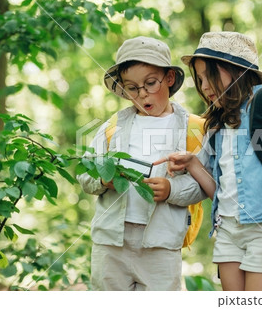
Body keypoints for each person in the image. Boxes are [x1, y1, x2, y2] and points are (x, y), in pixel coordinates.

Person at [154, 31, 262, 291]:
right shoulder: (218, 122)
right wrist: (193, 163)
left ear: (235, 70)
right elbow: (219, 193)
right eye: (199, 79)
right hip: (227, 231)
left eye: (209, 76)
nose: (203, 87)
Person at [77, 36, 206, 291]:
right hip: (111, 243)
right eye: (132, 88)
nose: (142, 93)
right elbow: (85, 174)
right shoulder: (111, 128)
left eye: (150, 83)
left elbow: (203, 185)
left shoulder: (193, 129)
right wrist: (103, 180)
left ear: (169, 79)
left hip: (161, 243)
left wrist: (172, 190)